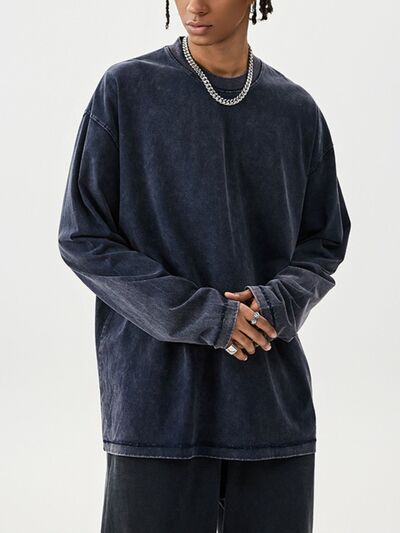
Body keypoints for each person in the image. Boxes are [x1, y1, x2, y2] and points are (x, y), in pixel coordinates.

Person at [57, 1, 351, 531]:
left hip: (269, 407)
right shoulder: (126, 91)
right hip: (158, 407)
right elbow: (84, 237)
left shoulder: (296, 110)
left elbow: (324, 241)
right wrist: (208, 316)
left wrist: (275, 303)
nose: (194, 5)